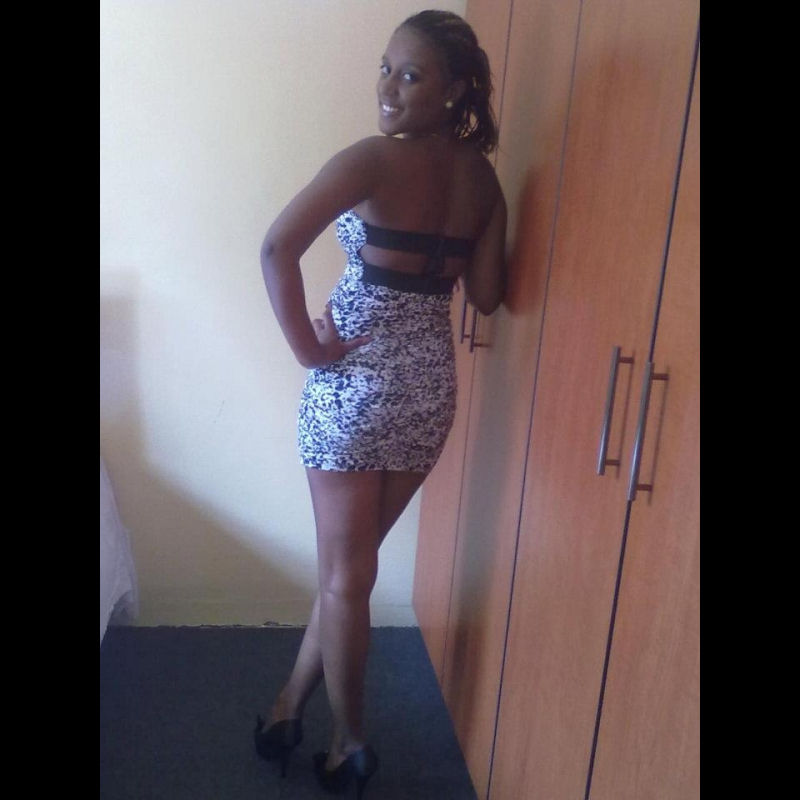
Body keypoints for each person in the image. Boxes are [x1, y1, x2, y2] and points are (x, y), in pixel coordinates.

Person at [255, 9, 506, 797]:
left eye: (412, 75)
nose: (389, 88)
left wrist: (308, 350)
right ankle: (286, 710)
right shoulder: (483, 180)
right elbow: (488, 295)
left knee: (345, 579)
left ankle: (350, 742)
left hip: (353, 393)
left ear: (454, 90)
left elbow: (276, 248)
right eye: (386, 68)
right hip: (427, 395)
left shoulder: (371, 159)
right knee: (350, 577)